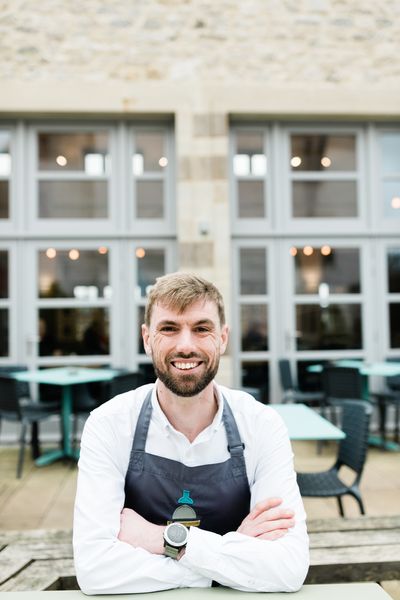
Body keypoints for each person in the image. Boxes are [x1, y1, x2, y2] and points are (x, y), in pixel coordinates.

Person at [73, 272, 309, 594]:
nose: (186, 346)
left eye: (201, 329)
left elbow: (288, 567)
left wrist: (162, 539)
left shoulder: (262, 425)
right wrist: (231, 554)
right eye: (169, 328)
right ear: (146, 338)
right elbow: (95, 569)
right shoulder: (109, 425)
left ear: (223, 338)